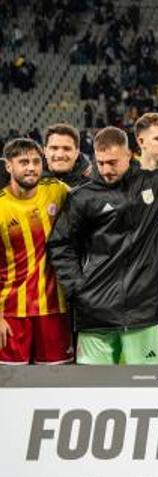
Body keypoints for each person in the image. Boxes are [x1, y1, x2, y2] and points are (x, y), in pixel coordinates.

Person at [48, 126, 158, 365]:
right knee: (92, 388)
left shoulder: (156, 184)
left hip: (143, 309)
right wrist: (77, 289)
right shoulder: (83, 196)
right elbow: (61, 244)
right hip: (94, 309)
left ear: (129, 155)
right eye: (100, 163)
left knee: (148, 386)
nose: (105, 170)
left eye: (112, 162)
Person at [0, 139, 72, 365]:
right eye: (23, 162)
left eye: (35, 161)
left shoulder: (57, 191)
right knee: (9, 385)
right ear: (8, 166)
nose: (31, 167)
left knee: (58, 384)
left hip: (55, 310)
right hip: (10, 313)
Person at [43, 123, 92, 188]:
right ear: (45, 151)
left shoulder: (92, 184)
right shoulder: (30, 185)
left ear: (77, 153)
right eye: (54, 148)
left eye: (67, 149)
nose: (60, 155)